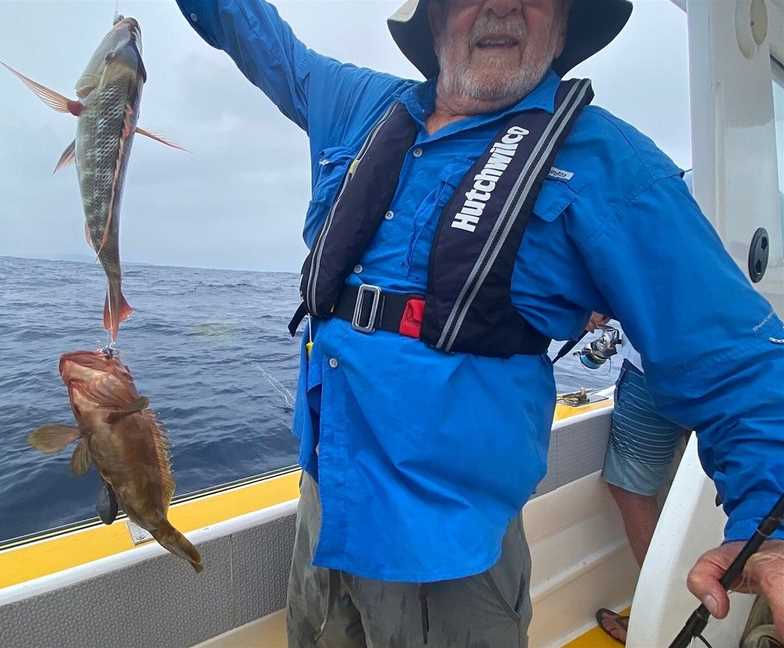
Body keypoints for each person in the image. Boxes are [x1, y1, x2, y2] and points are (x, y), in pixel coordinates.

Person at [175, 1, 784, 646]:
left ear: (563, 28)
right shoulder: (358, 106)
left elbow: (731, 357)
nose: (501, 4)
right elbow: (252, 33)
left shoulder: (614, 166)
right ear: (434, 20)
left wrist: (772, 530)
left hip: (452, 548)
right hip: (329, 501)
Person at [583, 315, 690, 643]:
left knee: (633, 490)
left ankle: (671, 619)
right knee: (724, 489)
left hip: (654, 372)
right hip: (746, 370)